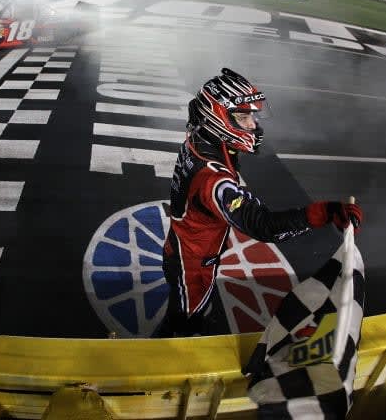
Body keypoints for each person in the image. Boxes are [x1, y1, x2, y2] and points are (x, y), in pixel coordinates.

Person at [154, 68, 363, 337]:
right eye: (243, 116)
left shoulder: (202, 136)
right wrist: (323, 212)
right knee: (182, 325)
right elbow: (265, 226)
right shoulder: (212, 179)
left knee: (192, 311)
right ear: (217, 117)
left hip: (186, 246)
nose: (253, 124)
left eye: (252, 115)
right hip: (192, 264)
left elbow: (197, 107)